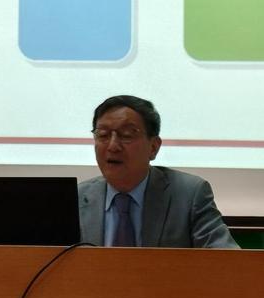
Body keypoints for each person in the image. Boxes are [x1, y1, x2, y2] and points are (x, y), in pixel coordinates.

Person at [78, 94, 238, 248]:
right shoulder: (76, 199)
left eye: (126, 135)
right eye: (103, 135)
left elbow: (226, 258)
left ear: (154, 147)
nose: (113, 146)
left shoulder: (189, 195)